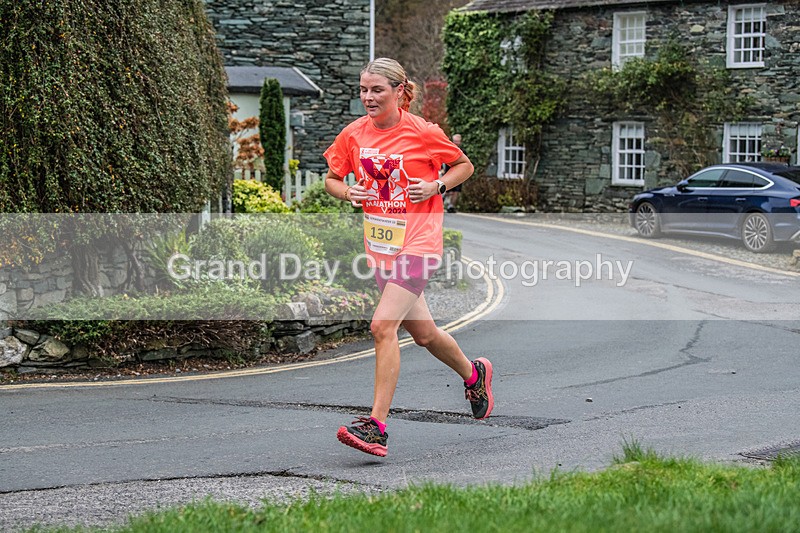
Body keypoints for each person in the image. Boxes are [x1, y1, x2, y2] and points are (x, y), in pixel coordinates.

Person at [323, 58, 494, 457]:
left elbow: (463, 166)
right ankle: (474, 375)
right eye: (363, 89)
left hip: (419, 244)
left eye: (377, 89)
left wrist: (436, 185)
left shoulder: (423, 132)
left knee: (382, 326)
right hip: (382, 246)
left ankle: (376, 426)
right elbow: (331, 179)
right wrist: (349, 192)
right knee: (424, 334)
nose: (368, 97)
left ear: (399, 91)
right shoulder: (353, 134)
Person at [442, 133, 463, 213]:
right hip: (449, 173)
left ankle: (451, 206)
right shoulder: (448, 149)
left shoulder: (462, 152)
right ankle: (442, 200)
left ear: (460, 142)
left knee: (456, 191)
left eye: (458, 141)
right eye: (455, 141)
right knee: (447, 190)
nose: (456, 143)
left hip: (459, 174)